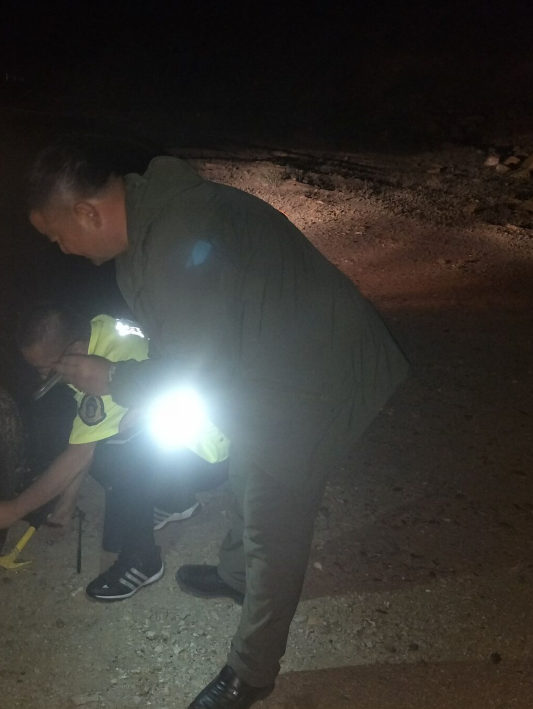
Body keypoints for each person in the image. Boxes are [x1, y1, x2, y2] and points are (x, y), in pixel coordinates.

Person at [23, 136, 410, 709]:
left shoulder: (178, 235)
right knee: (243, 473)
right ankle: (235, 576)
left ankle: (252, 672)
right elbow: (182, 344)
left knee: (275, 526)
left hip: (309, 379)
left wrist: (114, 378)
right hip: (264, 366)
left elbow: (195, 367)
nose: (62, 249)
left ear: (87, 213)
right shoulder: (146, 232)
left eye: (58, 236)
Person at [0, 302, 229, 600]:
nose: (44, 376)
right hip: (216, 425)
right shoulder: (102, 331)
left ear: (76, 350)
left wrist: (15, 509)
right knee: (116, 438)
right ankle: (176, 500)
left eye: (47, 367)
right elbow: (88, 438)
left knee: (118, 453)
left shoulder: (106, 370)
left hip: (214, 457)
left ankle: (142, 561)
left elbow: (80, 453)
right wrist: (68, 501)